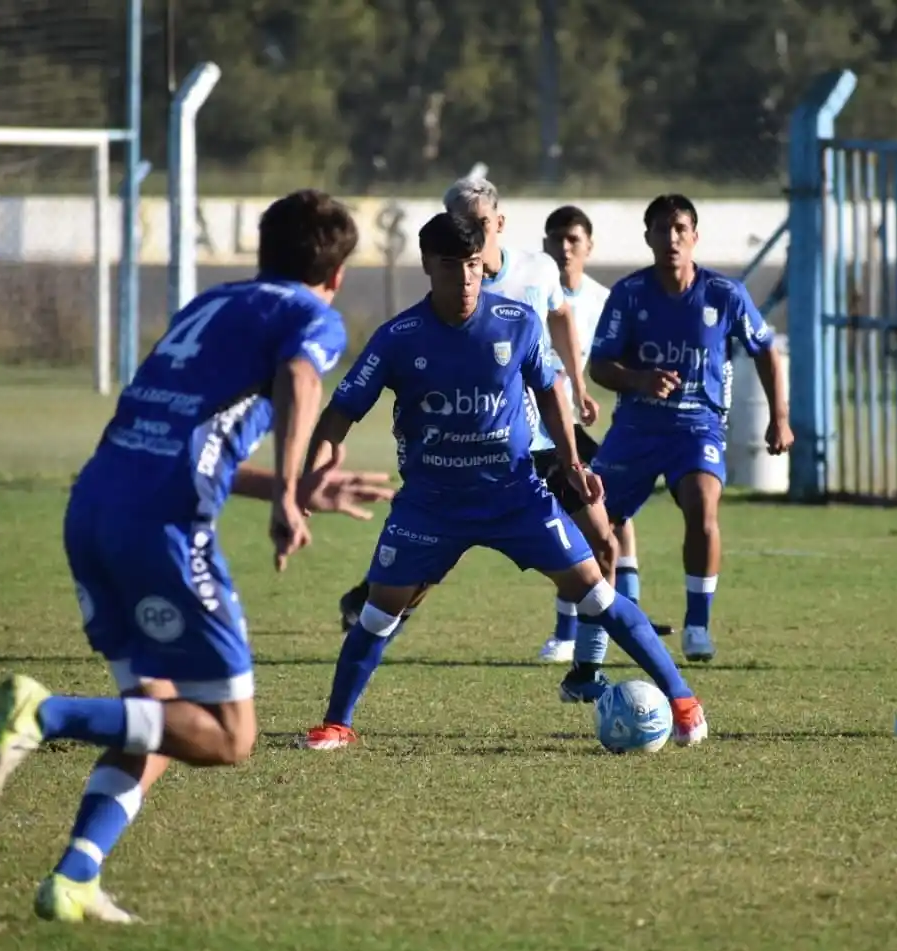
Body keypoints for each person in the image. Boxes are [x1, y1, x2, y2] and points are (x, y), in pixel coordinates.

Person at [0, 190, 393, 922]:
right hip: (159, 528)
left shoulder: (212, 305)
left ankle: (74, 877)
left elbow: (187, 444)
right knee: (230, 735)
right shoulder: (310, 315)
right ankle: (48, 715)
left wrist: (290, 491)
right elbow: (300, 378)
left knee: (159, 713)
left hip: (95, 505)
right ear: (338, 273)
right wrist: (291, 490)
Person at [298, 212, 709, 751]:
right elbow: (340, 412)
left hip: (516, 496)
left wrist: (571, 463)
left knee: (595, 592)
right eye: (452, 266)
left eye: (473, 265)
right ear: (428, 266)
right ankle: (337, 723)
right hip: (432, 504)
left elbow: (550, 391)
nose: (466, 278)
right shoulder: (398, 338)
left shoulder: (515, 321)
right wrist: (311, 474)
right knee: (380, 609)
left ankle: (682, 701)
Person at [332, 181, 628, 697]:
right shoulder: (451, 271)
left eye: (481, 221)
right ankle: (379, 615)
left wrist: (576, 386)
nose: (472, 232)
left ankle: (585, 667)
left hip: (539, 441)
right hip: (471, 455)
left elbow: (559, 319)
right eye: (460, 219)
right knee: (416, 583)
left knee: (604, 538)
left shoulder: (537, 270)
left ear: (499, 222)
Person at [587, 193, 793, 666]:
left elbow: (765, 349)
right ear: (648, 237)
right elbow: (599, 364)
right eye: (662, 229)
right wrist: (638, 379)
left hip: (696, 428)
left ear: (695, 237)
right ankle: (598, 626)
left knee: (703, 509)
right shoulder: (630, 294)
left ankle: (697, 623)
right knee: (596, 522)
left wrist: (779, 418)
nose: (672, 238)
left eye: (681, 229)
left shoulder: (724, 294)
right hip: (636, 428)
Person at [536, 204, 674, 669]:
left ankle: (626, 612)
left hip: (585, 427)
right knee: (576, 526)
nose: (564, 248)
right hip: (535, 430)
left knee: (611, 515)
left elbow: (617, 360)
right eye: (556, 239)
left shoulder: (603, 300)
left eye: (573, 240)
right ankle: (567, 632)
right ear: (545, 245)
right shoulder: (533, 293)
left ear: (589, 247)